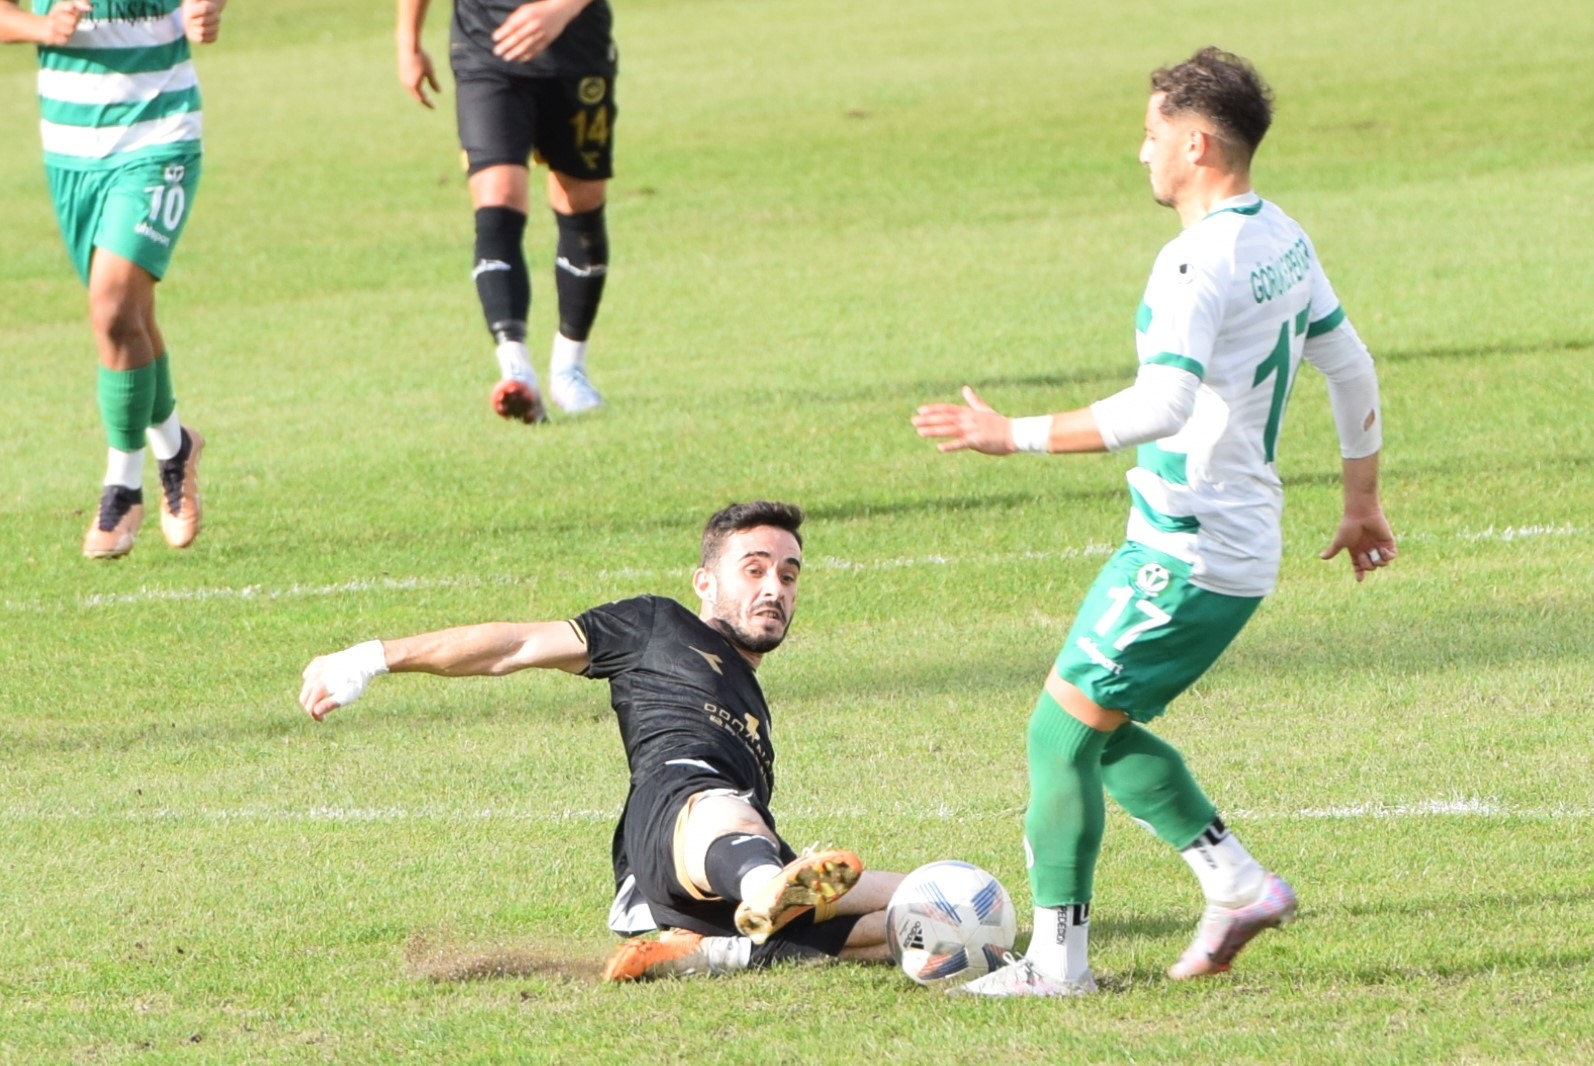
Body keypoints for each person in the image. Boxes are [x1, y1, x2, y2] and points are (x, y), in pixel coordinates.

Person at [911, 47, 1396, 996]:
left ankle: (1059, 965)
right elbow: (1351, 365)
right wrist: (1361, 498)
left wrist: (1012, 434)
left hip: (1191, 551)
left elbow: (1162, 405)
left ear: (1196, 142)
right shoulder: (1281, 236)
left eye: (1150, 133)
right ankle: (1236, 882)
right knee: (1095, 725)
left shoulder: (1194, 262)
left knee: (1057, 738)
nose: (1142, 152)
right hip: (1214, 539)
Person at [298, 500, 904, 981]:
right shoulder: (656, 625)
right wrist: (372, 657)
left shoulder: (751, 703)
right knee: (722, 804)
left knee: (916, 901)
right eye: (754, 569)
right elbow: (514, 646)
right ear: (704, 581)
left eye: (788, 575)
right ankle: (762, 886)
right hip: (683, 810)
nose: (774, 587)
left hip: (713, 871)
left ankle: (717, 948)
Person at [2, 0, 222, 559]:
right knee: (130, 318)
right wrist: (40, 26)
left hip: (160, 135)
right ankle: (175, 446)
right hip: (72, 150)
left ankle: (123, 488)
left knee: (113, 307)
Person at [397, 0, 616, 424]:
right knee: (497, 199)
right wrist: (408, 42)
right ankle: (517, 371)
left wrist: (559, 10)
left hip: (577, 51)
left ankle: (569, 369)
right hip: (486, 52)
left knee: (581, 201)